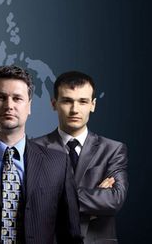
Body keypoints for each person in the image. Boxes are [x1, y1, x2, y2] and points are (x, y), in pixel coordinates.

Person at [0, 65, 82, 244]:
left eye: (17, 98)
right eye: (0, 97)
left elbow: (71, 234)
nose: (9, 105)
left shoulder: (58, 162)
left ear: (29, 106)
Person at [33, 71, 127, 243]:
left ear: (93, 104)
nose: (75, 109)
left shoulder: (113, 149)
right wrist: (95, 200)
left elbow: (115, 198)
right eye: (67, 101)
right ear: (54, 104)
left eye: (83, 101)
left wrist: (56, 198)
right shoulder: (34, 148)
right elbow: (33, 202)